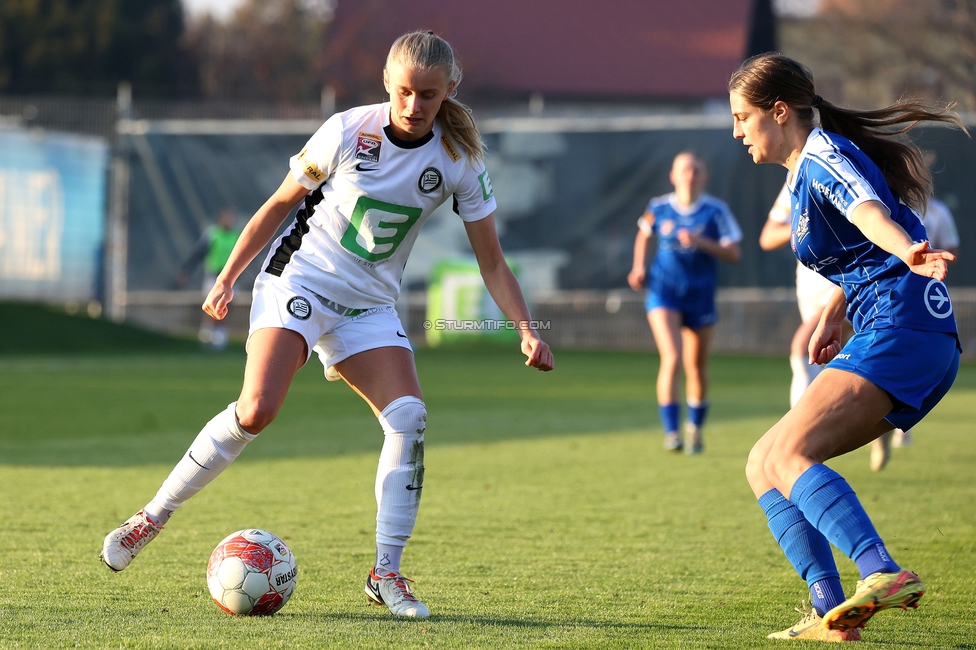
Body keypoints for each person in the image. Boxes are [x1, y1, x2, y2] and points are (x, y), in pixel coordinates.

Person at [100, 30, 554, 618]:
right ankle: (149, 519)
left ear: (450, 92)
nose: (415, 106)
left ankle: (386, 574)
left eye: (429, 95)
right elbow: (280, 204)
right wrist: (228, 275)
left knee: (409, 418)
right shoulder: (347, 131)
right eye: (406, 92)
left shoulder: (460, 159)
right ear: (387, 85)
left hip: (369, 306)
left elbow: (491, 260)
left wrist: (525, 328)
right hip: (300, 283)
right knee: (256, 412)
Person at [730, 53, 962, 641]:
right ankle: (832, 612)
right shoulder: (802, 169)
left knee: (787, 456)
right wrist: (834, 313)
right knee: (763, 463)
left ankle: (882, 570)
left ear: (779, 112)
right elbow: (858, 254)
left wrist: (908, 251)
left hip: (903, 329)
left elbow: (871, 215)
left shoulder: (824, 153)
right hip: (901, 332)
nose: (736, 131)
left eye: (742, 116)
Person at [627, 152, 742, 454]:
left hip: (700, 294)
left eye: (695, 170)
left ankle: (694, 428)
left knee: (696, 366)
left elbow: (734, 253)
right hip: (663, 292)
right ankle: (671, 433)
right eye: (684, 170)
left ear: (704, 177)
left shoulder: (716, 211)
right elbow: (643, 235)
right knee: (672, 358)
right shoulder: (659, 207)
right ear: (673, 176)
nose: (689, 175)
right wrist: (639, 267)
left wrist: (701, 242)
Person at [869, 151, 961, 468]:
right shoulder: (883, 210)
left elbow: (951, 248)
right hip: (885, 301)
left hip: (923, 300)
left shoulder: (937, 213)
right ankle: (880, 440)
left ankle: (899, 425)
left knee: (917, 365)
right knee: (876, 372)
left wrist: (933, 258)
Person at [759, 181, 839, 409]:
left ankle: (796, 434)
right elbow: (768, 237)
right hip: (810, 291)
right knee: (844, 367)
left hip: (842, 287)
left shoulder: (841, 172)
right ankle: (882, 442)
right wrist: (804, 224)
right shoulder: (795, 182)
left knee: (802, 347)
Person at [175, 208, 241, 350]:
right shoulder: (213, 235)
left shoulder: (236, 236)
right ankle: (206, 334)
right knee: (212, 304)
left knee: (228, 305)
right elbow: (198, 254)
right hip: (215, 276)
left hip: (232, 276)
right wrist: (186, 271)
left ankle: (220, 335)